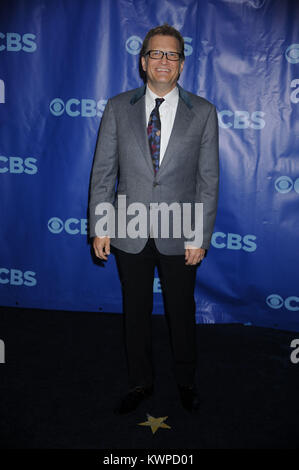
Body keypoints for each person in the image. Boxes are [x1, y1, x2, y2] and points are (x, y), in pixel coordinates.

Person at [89, 24, 219, 414]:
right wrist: (100, 225)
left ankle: (185, 380)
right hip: (128, 230)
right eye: (156, 54)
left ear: (181, 65)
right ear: (143, 61)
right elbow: (103, 173)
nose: (164, 61)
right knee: (135, 313)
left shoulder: (204, 113)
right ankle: (140, 382)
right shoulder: (117, 107)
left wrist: (199, 236)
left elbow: (208, 180)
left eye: (172, 55)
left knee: (181, 312)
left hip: (180, 231)